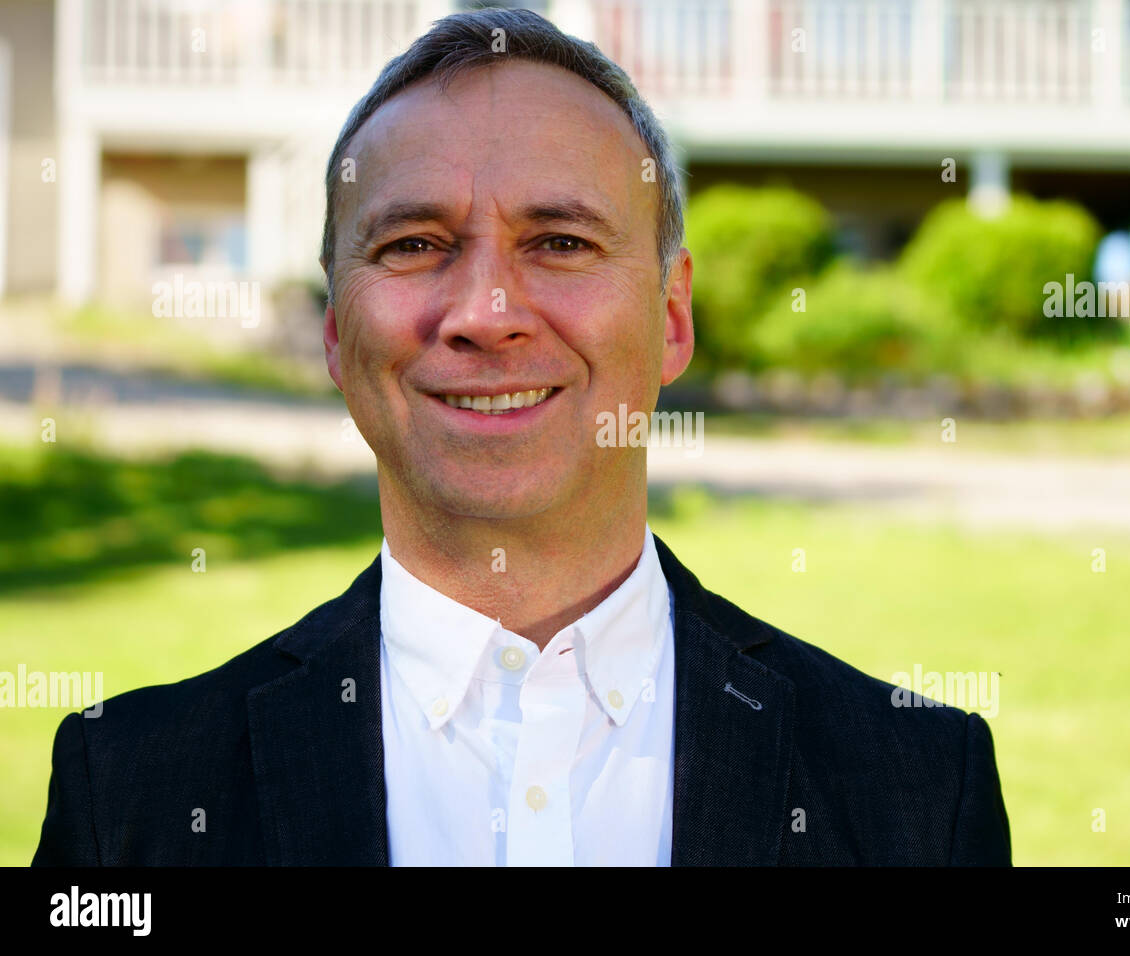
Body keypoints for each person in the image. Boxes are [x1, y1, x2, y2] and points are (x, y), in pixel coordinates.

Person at [33, 7, 1010, 866]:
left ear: (672, 318)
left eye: (560, 243)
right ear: (336, 331)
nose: (486, 313)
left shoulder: (919, 786)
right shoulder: (128, 791)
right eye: (413, 244)